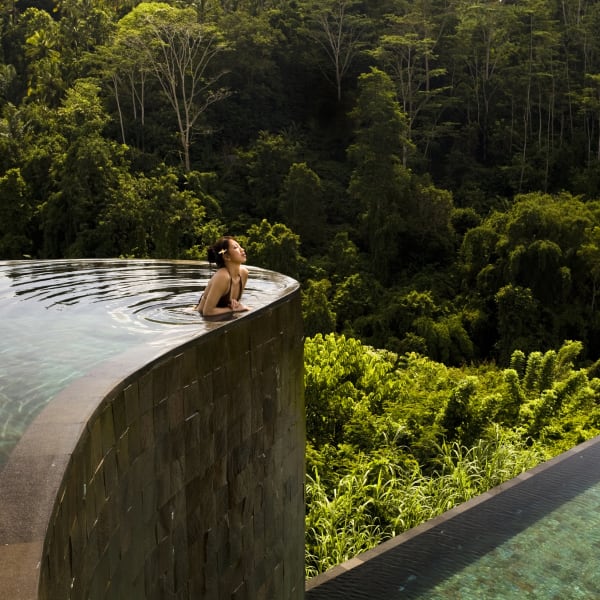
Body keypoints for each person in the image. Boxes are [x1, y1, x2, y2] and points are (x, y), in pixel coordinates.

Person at [195, 236, 250, 316]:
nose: (242, 249)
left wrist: (237, 307)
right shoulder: (222, 276)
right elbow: (207, 312)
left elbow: (236, 305)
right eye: (236, 247)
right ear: (227, 257)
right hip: (197, 317)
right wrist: (233, 310)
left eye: (240, 246)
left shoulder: (244, 273)